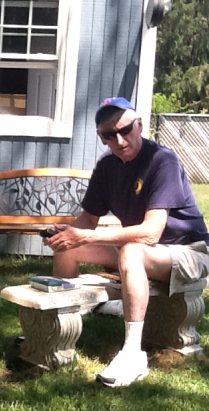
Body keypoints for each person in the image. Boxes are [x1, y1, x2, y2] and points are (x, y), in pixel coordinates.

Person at [44, 97, 209, 388]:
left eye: (125, 130)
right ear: (101, 137)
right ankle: (57, 329)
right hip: (146, 252)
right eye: (110, 135)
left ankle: (133, 353)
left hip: (188, 251)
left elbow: (151, 233)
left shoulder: (162, 160)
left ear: (139, 125)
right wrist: (65, 234)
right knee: (69, 247)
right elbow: (88, 220)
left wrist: (87, 236)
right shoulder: (107, 166)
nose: (119, 141)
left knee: (132, 251)